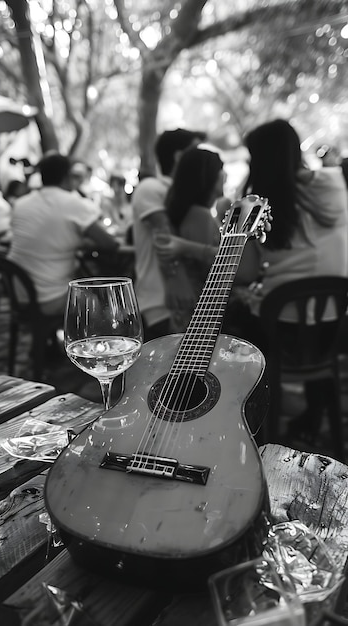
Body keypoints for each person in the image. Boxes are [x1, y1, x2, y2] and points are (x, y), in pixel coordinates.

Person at [239, 119, 348, 442]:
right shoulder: (333, 184)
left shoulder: (259, 203)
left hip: (282, 330)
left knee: (238, 322)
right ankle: (315, 421)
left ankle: (256, 426)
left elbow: (244, 274)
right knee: (309, 327)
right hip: (335, 325)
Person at [8, 152, 119, 316]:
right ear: (67, 176)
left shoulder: (21, 203)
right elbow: (110, 243)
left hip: (18, 293)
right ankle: (94, 340)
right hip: (49, 298)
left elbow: (45, 236)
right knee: (96, 303)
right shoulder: (72, 202)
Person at [131, 127, 206, 341]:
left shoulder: (183, 194)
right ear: (179, 156)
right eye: (195, 151)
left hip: (188, 298)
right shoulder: (151, 187)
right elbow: (164, 236)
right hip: (164, 299)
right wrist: (177, 280)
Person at [163, 144, 224, 329]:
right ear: (208, 177)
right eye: (221, 170)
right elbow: (214, 268)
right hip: (204, 311)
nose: (225, 175)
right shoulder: (200, 215)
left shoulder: (191, 213)